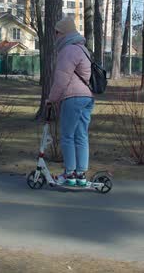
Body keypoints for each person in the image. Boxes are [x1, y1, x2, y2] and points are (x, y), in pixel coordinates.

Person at [46, 17, 94, 186]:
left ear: (63, 33)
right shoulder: (83, 49)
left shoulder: (68, 51)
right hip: (87, 97)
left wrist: (51, 99)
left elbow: (61, 80)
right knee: (81, 135)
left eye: (57, 32)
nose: (55, 36)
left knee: (67, 136)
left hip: (73, 97)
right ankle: (80, 174)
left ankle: (69, 174)